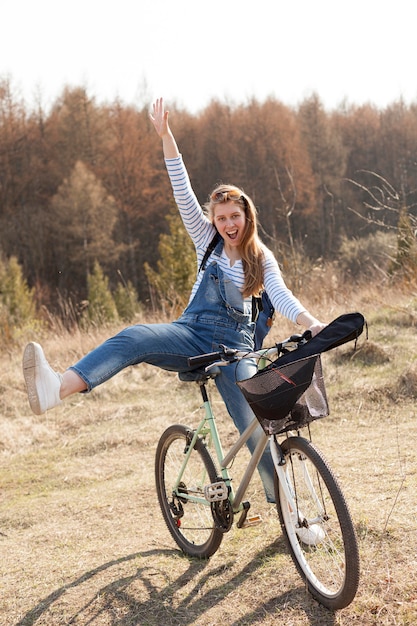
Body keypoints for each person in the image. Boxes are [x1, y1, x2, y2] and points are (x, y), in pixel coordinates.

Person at [23, 97, 326, 503]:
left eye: (234, 216)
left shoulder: (261, 257)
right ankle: (55, 389)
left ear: (246, 215)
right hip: (191, 335)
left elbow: (282, 296)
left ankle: (289, 511)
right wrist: (166, 137)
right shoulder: (207, 242)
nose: (228, 224)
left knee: (257, 426)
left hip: (237, 352)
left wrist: (310, 322)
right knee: (134, 338)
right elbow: (181, 189)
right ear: (214, 221)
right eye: (221, 218)